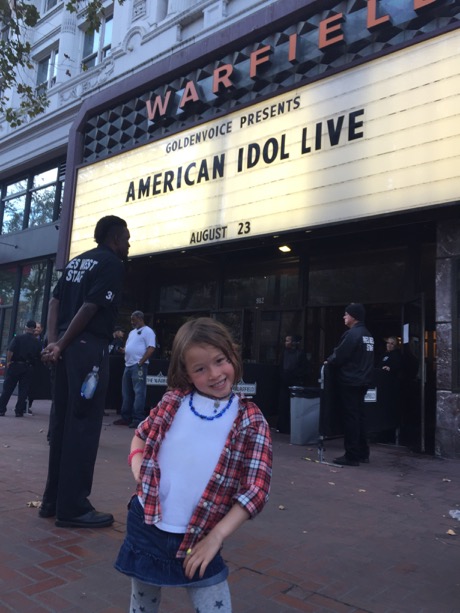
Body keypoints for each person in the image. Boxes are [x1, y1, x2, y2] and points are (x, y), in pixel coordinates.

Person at [114, 317, 272, 612]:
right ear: (185, 372)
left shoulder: (251, 420)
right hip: (147, 525)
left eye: (220, 360)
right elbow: (140, 437)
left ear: (232, 355)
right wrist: (139, 471)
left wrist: (217, 538)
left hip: (202, 536)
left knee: (215, 606)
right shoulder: (173, 402)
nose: (214, 374)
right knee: (142, 604)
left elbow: (256, 490)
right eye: (200, 368)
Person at [38, 215, 130, 528]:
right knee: (83, 425)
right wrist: (63, 344)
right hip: (87, 351)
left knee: (62, 423)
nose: (129, 244)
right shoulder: (112, 264)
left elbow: (54, 301)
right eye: (126, 238)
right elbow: (91, 307)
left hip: (64, 352)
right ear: (115, 238)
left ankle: (51, 501)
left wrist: (53, 343)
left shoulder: (77, 262)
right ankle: (74, 507)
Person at [325, 303, 374, 467]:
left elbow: (339, 356)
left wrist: (329, 361)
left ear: (354, 316)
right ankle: (362, 453)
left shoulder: (352, 334)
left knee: (351, 418)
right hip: (363, 381)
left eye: (346, 314)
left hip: (350, 381)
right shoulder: (367, 334)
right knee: (360, 417)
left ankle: (352, 455)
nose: (343, 317)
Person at [114, 311, 156, 428]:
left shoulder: (148, 331)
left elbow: (151, 348)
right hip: (128, 364)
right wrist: (124, 350)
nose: (132, 322)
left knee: (139, 392)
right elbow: (129, 347)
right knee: (126, 392)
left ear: (140, 318)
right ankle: (126, 417)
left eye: (134, 319)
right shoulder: (132, 333)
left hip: (138, 365)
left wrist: (140, 362)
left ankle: (138, 418)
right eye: (131, 320)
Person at [0, 320, 42, 417]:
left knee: (8, 388)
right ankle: (19, 411)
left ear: (26, 327)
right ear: (34, 328)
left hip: (15, 365)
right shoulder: (37, 342)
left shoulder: (18, 338)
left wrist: (8, 362)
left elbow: (10, 351)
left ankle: (1, 409)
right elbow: (40, 355)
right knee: (24, 390)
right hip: (29, 367)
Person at [277, 334, 307, 434]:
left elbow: (303, 368)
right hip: (285, 382)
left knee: (292, 405)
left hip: (294, 382)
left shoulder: (300, 354)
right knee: (284, 405)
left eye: (288, 341)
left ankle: (290, 427)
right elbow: (281, 367)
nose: (286, 343)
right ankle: (283, 426)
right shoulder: (284, 353)